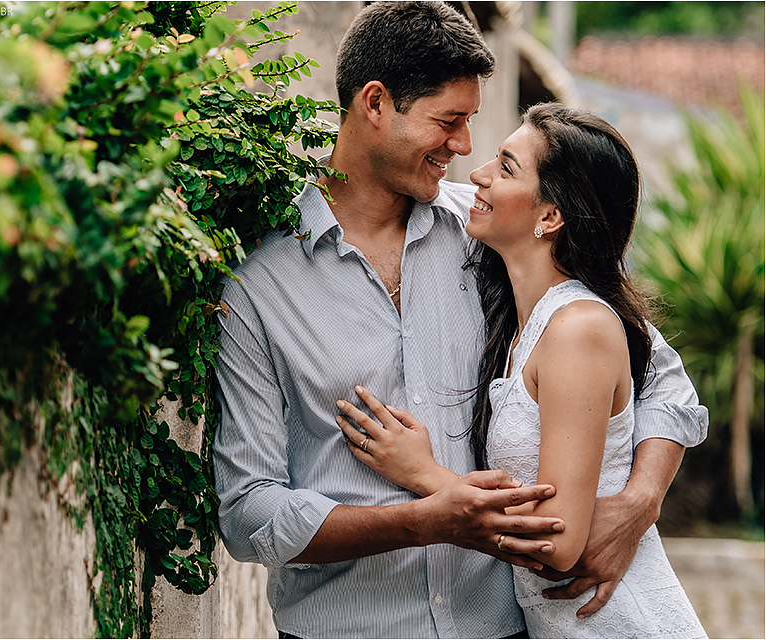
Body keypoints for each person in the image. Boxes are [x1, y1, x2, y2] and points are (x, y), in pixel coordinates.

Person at [212, 2, 707, 638]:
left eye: (471, 122)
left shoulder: (490, 233)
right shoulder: (260, 284)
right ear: (375, 103)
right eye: (449, 121)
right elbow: (249, 511)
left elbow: (656, 371)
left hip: (504, 625)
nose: (465, 145)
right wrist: (422, 520)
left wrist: (639, 501)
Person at [336, 103, 707, 638]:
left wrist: (425, 475)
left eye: (506, 166)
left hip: (616, 621)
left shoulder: (578, 327)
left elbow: (557, 544)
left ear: (551, 217)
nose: (477, 172)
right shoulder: (525, 315)